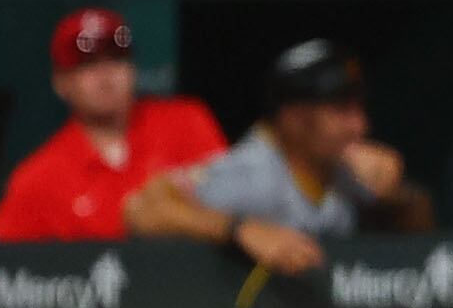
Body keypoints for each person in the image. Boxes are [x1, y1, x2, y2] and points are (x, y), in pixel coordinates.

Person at [124, 40, 418, 276]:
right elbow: (142, 210)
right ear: (293, 119)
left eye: (359, 109)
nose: (360, 126)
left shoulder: (347, 170)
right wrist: (241, 229)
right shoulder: (254, 173)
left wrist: (398, 196)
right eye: (342, 111)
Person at [0, 9, 226, 242]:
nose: (105, 76)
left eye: (116, 59)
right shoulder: (38, 178)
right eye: (88, 64)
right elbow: (1, 269)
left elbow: (233, 203)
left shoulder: (185, 123)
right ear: (61, 82)